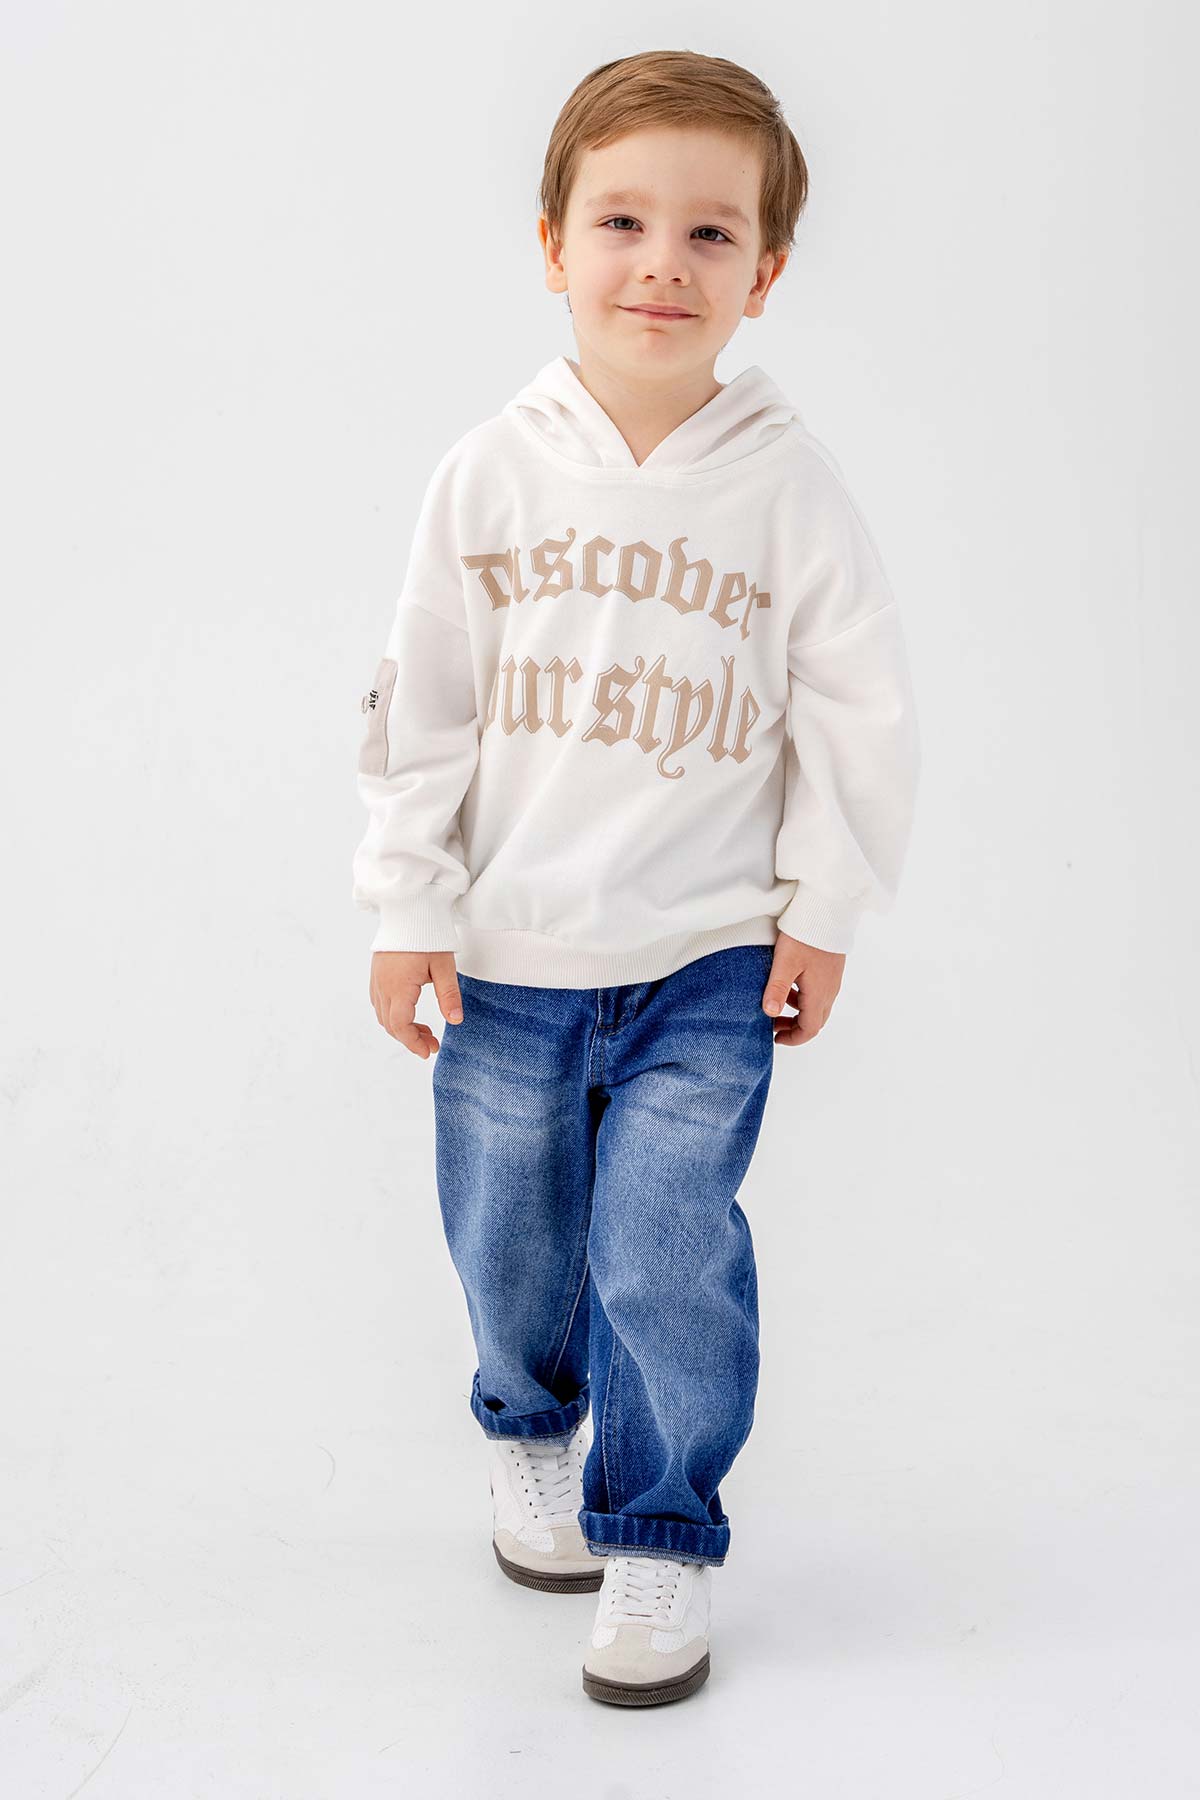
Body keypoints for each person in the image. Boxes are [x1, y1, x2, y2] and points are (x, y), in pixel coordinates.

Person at [351, 48, 921, 1709]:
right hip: (510, 957)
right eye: (621, 222)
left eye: (710, 233)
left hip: (707, 962)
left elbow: (859, 711)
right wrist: (408, 901)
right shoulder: (490, 471)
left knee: (667, 1249)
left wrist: (824, 908)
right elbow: (423, 702)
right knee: (511, 1236)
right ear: (553, 245)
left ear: (766, 272)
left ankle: (663, 1527)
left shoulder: (787, 486)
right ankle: (530, 1430)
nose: (662, 264)